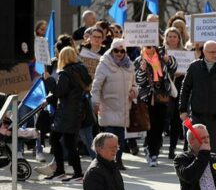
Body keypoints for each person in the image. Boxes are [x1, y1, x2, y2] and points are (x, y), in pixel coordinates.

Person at [43, 46, 91, 182]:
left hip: (66, 112)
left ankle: (69, 172)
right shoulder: (81, 69)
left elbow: (59, 91)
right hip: (77, 111)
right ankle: (69, 172)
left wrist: (48, 80)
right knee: (66, 142)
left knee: (58, 140)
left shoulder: (65, 73)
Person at [178, 40, 216, 154]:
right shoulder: (194, 67)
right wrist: (182, 110)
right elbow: (185, 89)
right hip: (197, 116)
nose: (215, 54)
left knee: (214, 151)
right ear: (204, 52)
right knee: (194, 149)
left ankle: (212, 172)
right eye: (212, 52)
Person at [91, 39, 137, 170]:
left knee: (120, 139)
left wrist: (134, 91)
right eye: (116, 50)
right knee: (109, 138)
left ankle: (118, 160)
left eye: (122, 51)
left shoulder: (129, 65)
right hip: (108, 106)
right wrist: (95, 102)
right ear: (112, 50)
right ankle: (108, 162)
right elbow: (96, 86)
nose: (119, 53)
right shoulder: (104, 64)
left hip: (123, 107)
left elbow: (134, 84)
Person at [135, 43, 178, 167]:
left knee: (160, 127)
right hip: (147, 98)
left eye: (153, 46)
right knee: (150, 126)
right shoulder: (139, 60)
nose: (151, 49)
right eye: (148, 47)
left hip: (163, 97)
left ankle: (154, 150)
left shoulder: (162, 57)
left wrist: (168, 60)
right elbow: (138, 81)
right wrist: (142, 71)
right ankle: (152, 152)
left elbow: (173, 69)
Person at [163, 27, 186, 159]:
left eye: (175, 36)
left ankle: (172, 148)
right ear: (166, 38)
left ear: (179, 38)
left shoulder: (185, 53)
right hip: (165, 88)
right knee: (165, 117)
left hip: (180, 87)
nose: (172, 39)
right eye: (169, 36)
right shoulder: (161, 53)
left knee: (176, 119)